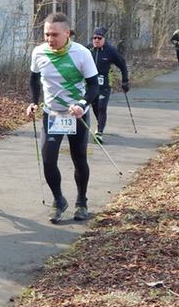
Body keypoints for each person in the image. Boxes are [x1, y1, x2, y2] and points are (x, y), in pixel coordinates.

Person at [27, 12, 100, 223]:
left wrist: (82, 104)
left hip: (76, 114)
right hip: (52, 114)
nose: (50, 39)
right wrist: (33, 102)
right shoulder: (39, 52)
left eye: (55, 34)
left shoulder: (81, 53)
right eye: (46, 34)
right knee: (48, 160)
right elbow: (34, 79)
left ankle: (81, 202)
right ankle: (59, 200)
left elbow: (94, 86)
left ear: (67, 33)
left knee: (79, 158)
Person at [89, 27, 130, 144]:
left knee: (102, 107)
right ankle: (100, 124)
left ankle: (99, 132)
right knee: (95, 107)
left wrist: (125, 81)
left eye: (99, 38)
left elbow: (122, 64)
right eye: (94, 38)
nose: (96, 40)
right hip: (91, 85)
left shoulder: (110, 51)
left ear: (104, 39)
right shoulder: (88, 49)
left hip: (105, 85)